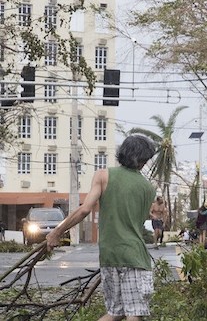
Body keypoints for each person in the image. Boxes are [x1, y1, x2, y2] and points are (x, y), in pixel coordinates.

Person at [46, 134, 157, 321]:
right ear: (141, 159)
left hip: (109, 255)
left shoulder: (103, 175)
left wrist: (56, 232)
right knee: (134, 314)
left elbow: (84, 210)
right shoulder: (148, 188)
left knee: (115, 313)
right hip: (134, 256)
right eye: (146, 159)